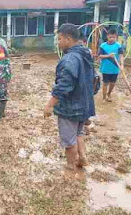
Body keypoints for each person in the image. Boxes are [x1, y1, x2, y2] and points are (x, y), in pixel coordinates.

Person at [44, 24, 95, 171]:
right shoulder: (86, 53)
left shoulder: (69, 59)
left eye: (59, 39)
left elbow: (64, 86)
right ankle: (83, 158)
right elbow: (94, 80)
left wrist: (50, 104)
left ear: (68, 39)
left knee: (69, 140)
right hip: (84, 104)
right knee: (78, 133)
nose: (57, 42)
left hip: (71, 108)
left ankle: (71, 167)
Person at [98, 28, 124, 102]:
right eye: (110, 37)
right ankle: (103, 97)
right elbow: (99, 56)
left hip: (115, 68)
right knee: (105, 83)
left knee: (112, 83)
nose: (112, 39)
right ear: (107, 36)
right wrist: (108, 56)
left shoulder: (118, 45)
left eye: (114, 37)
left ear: (116, 37)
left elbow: (121, 55)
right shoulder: (103, 46)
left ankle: (109, 94)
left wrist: (122, 65)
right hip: (105, 68)